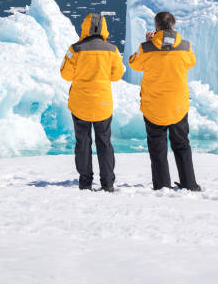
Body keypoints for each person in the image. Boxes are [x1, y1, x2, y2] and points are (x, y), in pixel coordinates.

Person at [128, 11, 201, 191]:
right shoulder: (185, 46)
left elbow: (133, 64)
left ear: (156, 27)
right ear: (173, 26)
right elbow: (191, 61)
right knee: (182, 145)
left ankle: (162, 186)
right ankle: (189, 184)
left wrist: (147, 42)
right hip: (178, 105)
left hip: (154, 106)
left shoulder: (146, 48)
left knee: (157, 148)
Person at [60, 12, 124, 192]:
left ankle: (85, 181)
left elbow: (65, 74)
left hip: (80, 104)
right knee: (104, 142)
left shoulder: (75, 49)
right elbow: (117, 75)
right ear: (103, 28)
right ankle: (108, 183)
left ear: (85, 27)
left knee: (83, 142)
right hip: (102, 104)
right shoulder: (112, 50)